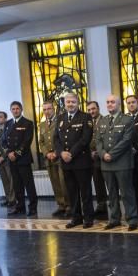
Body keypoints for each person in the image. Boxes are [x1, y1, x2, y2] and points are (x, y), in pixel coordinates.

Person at [95, 94, 138, 230]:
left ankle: (132, 219)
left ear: (119, 104)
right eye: (108, 102)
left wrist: (111, 155)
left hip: (122, 163)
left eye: (112, 102)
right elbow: (98, 141)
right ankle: (114, 218)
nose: (109, 104)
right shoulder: (101, 121)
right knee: (112, 193)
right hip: (106, 164)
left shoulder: (127, 120)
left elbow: (126, 141)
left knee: (127, 193)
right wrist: (103, 154)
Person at [54, 93, 94, 228]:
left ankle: (88, 218)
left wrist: (70, 153)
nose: (70, 104)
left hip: (81, 161)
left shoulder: (85, 117)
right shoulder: (60, 118)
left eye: (73, 102)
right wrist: (61, 153)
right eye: (68, 102)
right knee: (72, 191)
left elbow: (85, 139)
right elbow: (56, 139)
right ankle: (76, 217)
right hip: (66, 163)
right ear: (64, 104)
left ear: (78, 103)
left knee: (85, 191)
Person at [2, 101, 38, 217]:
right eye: (13, 109)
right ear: (11, 110)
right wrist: (8, 153)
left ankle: (32, 207)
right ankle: (20, 206)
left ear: (21, 109)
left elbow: (27, 141)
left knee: (29, 184)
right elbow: (3, 141)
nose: (15, 110)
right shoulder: (7, 124)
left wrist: (16, 154)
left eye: (17, 108)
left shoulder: (28, 123)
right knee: (17, 185)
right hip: (11, 159)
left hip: (23, 158)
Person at [38, 100, 69, 217]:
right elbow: (41, 142)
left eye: (49, 109)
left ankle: (69, 205)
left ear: (54, 108)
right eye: (44, 109)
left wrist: (56, 152)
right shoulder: (41, 125)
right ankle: (61, 205)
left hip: (59, 156)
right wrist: (47, 154)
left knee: (63, 182)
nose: (47, 111)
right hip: (49, 158)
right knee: (55, 182)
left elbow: (63, 139)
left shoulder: (61, 121)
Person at [86, 100, 108, 218]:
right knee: (97, 182)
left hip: (104, 156)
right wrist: (90, 152)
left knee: (110, 183)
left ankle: (114, 205)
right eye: (89, 110)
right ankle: (101, 204)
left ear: (98, 108)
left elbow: (108, 138)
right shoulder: (87, 122)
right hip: (91, 158)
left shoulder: (105, 120)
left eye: (93, 109)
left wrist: (99, 152)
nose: (91, 111)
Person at [0, 111, 16, 208]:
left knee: (11, 181)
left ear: (5, 118)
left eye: (1, 117)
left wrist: (3, 156)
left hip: (7, 160)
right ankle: (8, 198)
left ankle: (13, 199)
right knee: (4, 181)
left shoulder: (10, 129)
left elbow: (10, 145)